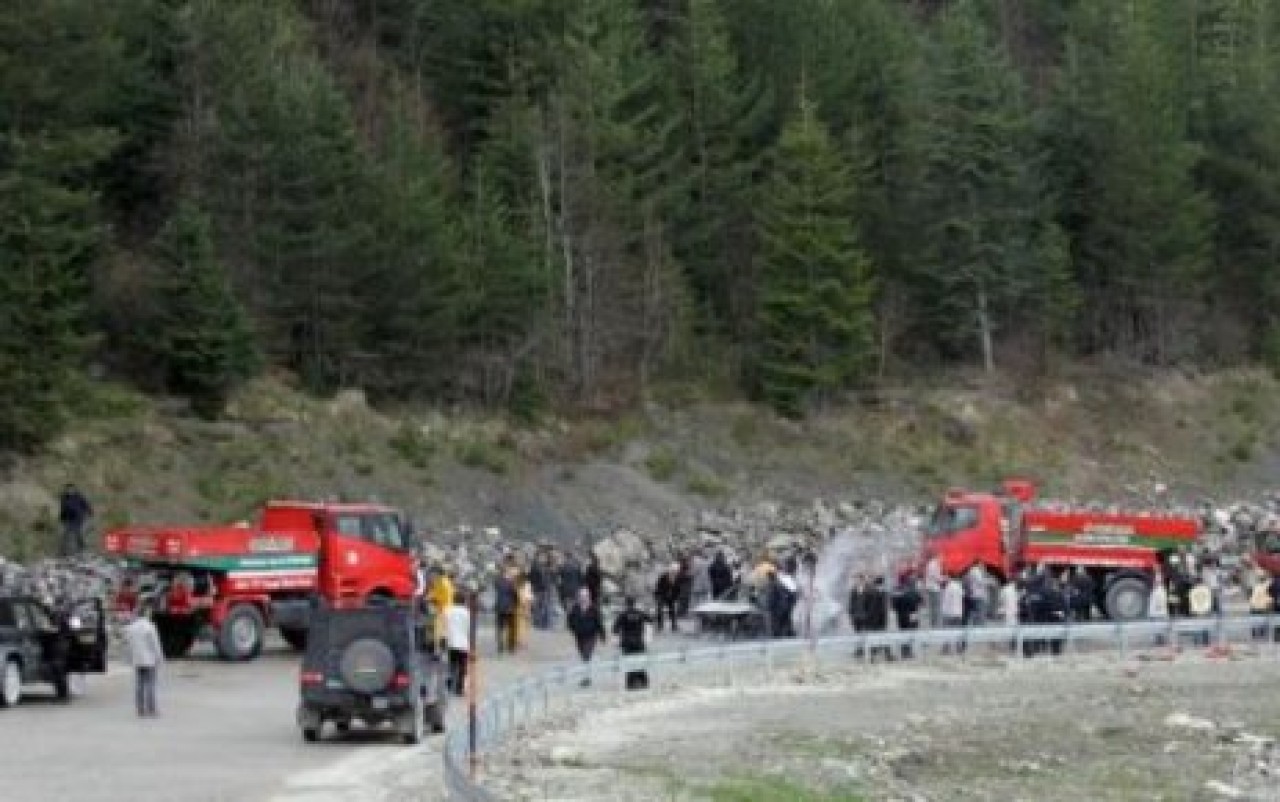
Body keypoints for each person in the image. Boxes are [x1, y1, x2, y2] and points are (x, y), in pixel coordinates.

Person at [122, 605, 164, 717]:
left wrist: (128, 659)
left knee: (139, 684)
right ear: (145, 614)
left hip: (137, 660)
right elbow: (155, 644)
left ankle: (140, 709)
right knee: (150, 684)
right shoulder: (150, 627)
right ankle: (152, 708)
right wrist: (159, 657)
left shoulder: (129, 628)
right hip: (149, 659)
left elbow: (127, 646)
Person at [567, 588, 606, 687]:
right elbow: (570, 621)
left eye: (585, 596)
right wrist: (573, 629)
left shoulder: (593, 609)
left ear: (588, 597)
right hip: (579, 636)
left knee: (586, 655)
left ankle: (586, 678)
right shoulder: (575, 608)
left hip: (591, 636)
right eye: (581, 597)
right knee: (583, 657)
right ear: (578, 598)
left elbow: (599, 622)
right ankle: (586, 676)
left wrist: (602, 635)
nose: (583, 598)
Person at [612, 596, 653, 690]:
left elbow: (615, 628)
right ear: (635, 603)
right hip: (639, 642)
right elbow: (650, 621)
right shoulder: (640, 613)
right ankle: (644, 682)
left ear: (626, 604)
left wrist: (616, 640)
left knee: (629, 664)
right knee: (641, 663)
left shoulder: (623, 615)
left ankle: (630, 684)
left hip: (627, 643)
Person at [444, 591, 471, 696]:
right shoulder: (466, 612)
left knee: (451, 664)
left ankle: (450, 684)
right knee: (462, 666)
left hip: (450, 642)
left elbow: (444, 625)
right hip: (463, 643)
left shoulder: (447, 610)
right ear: (463, 601)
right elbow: (468, 628)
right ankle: (459, 688)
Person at [891, 575, 923, 659]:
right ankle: (909, 652)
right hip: (913, 615)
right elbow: (921, 602)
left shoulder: (898, 591)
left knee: (903, 633)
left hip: (901, 616)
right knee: (911, 634)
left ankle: (904, 652)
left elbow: (894, 606)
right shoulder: (915, 592)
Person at [58, 484, 93, 557]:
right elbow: (63, 509)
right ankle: (63, 552)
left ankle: (82, 549)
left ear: (74, 489)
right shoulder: (64, 497)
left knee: (78, 534)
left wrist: (89, 512)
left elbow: (86, 505)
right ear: (66, 490)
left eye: (71, 489)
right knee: (65, 535)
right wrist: (61, 517)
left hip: (78, 518)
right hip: (68, 518)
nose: (69, 491)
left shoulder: (79, 497)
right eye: (68, 490)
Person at [493, 569, 518, 654]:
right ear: (507, 574)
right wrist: (515, 603)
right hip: (509, 608)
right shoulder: (511, 583)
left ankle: (500, 646)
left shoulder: (498, 582)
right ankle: (511, 647)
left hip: (499, 607)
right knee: (511, 628)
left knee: (500, 628)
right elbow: (515, 594)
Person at [529, 553, 554, 630]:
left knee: (543, 606)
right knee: (539, 606)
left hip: (543, 589)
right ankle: (540, 622)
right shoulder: (536, 567)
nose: (543, 559)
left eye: (543, 557)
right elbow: (532, 578)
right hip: (539, 589)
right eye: (541, 557)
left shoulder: (544, 567)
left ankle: (543, 623)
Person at [654, 563, 681, 633]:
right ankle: (660, 625)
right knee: (659, 609)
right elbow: (658, 587)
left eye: (676, 571)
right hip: (661, 595)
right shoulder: (663, 576)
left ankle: (674, 626)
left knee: (672, 610)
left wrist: (675, 598)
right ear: (670, 570)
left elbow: (678, 589)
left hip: (671, 596)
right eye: (673, 571)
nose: (674, 573)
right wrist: (662, 595)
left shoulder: (678, 578)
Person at [556, 554, 583, 623]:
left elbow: (559, 578)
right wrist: (580, 587)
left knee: (567, 605)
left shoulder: (562, 567)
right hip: (575, 588)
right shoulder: (577, 567)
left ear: (566, 558)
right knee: (574, 604)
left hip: (565, 589)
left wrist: (559, 587)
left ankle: (569, 619)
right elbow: (580, 578)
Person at [924, 554, 944, 628]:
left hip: (931, 588)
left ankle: (934, 624)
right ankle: (936, 625)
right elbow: (935, 576)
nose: (942, 560)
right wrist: (943, 579)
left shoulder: (931, 564)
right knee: (936, 608)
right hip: (934, 589)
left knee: (933, 608)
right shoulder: (934, 564)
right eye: (942, 558)